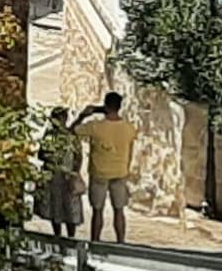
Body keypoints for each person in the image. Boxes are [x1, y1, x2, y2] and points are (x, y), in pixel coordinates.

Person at [79, 90, 141, 242]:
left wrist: (83, 115)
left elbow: (71, 131)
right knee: (119, 210)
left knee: (97, 211)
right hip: (120, 172)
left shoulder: (95, 127)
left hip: (99, 172)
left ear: (105, 106)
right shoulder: (129, 128)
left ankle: (95, 240)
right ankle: (120, 241)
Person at [33, 105, 84, 239]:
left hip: (63, 176)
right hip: (56, 176)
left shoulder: (67, 136)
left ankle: (68, 237)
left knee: (66, 207)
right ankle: (60, 236)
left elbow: (78, 157)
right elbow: (41, 155)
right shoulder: (54, 136)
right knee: (58, 207)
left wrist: (74, 173)